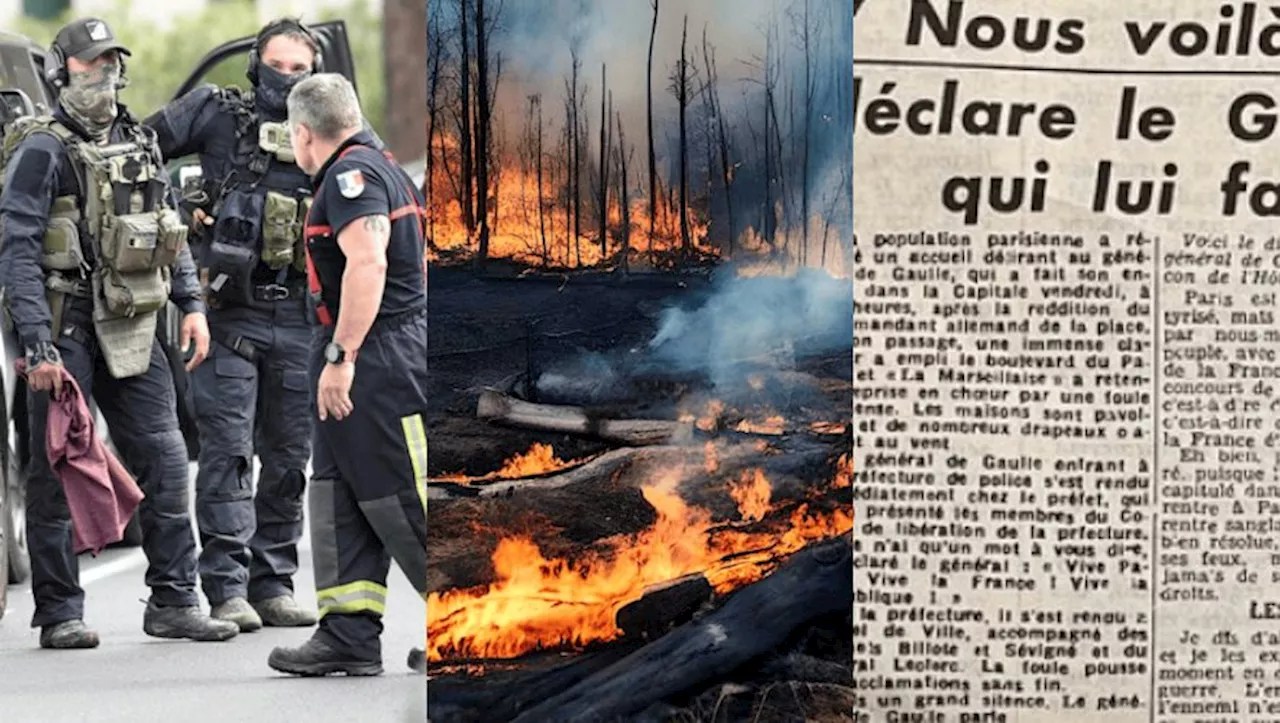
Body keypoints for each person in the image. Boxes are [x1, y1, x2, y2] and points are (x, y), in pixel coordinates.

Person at [0, 18, 239, 647]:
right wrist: (36, 344)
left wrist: (190, 303)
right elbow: (18, 251)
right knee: (54, 470)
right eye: (88, 65)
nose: (102, 75)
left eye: (109, 62)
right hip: (64, 326)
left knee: (164, 458)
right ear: (61, 73)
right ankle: (59, 614)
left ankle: (175, 601)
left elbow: (171, 228)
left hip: (133, 323)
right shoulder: (41, 151)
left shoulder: (139, 140)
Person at [142, 18, 347, 631]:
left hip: (299, 319)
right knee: (229, 455)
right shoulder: (214, 112)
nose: (286, 79)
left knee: (288, 459)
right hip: (227, 313)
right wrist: (180, 212)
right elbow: (138, 156)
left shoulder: (330, 130)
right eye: (277, 66)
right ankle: (227, 589)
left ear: (316, 74)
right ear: (255, 64)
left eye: (299, 69)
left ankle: (273, 585)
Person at [267, 73, 427, 676]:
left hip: (376, 357)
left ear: (302, 133)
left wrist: (342, 357)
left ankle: (468, 623)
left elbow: (368, 264)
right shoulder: (379, 163)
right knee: (341, 495)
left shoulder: (349, 178)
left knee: (398, 493)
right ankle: (349, 634)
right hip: (362, 349)